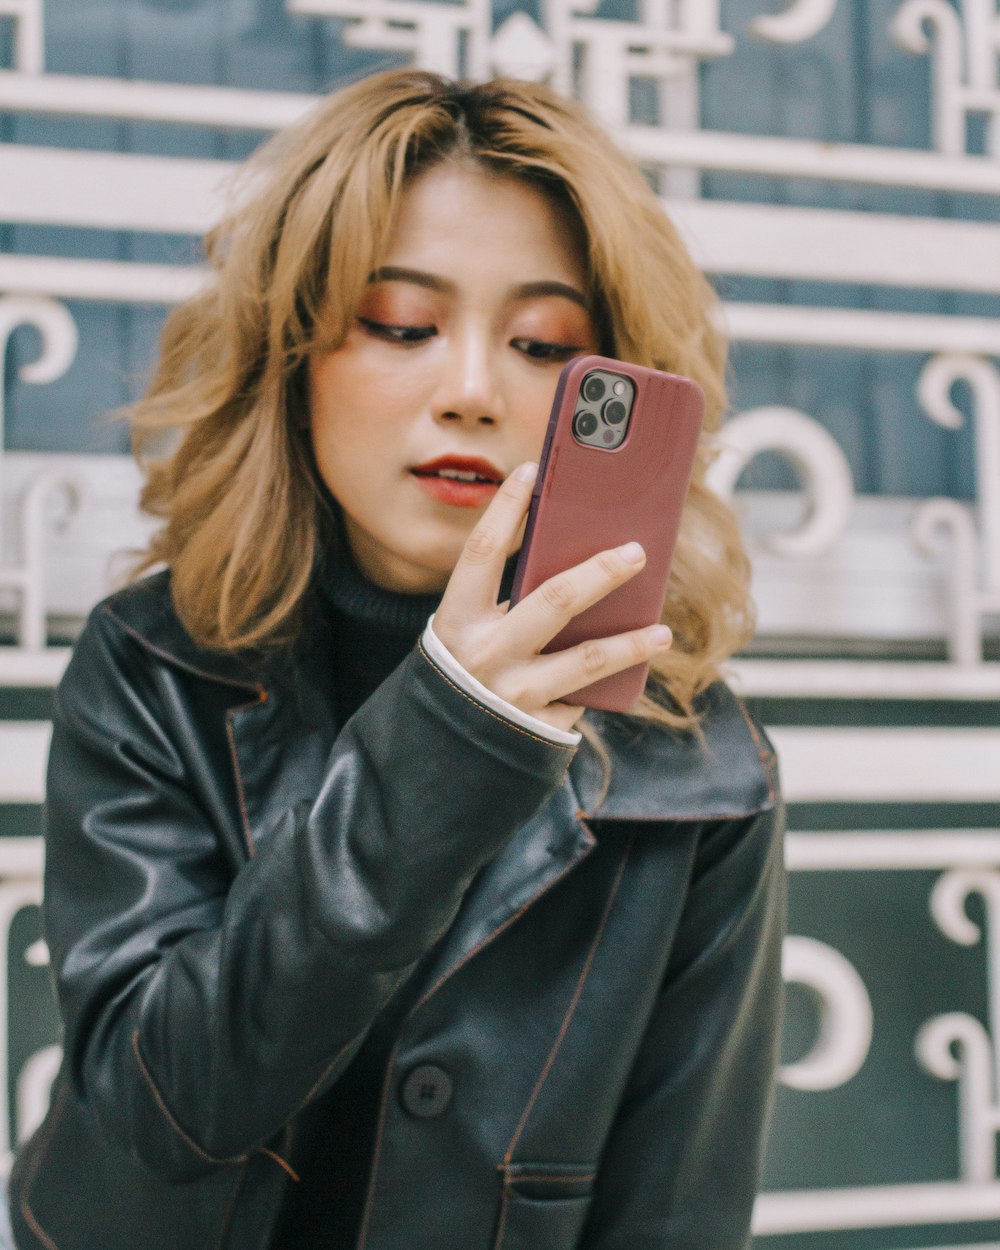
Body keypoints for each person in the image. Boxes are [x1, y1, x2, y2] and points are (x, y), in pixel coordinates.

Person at [8, 70, 784, 1250]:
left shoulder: (705, 769)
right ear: (293, 361)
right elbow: (161, 1107)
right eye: (400, 324)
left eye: (541, 344)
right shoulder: (153, 667)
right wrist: (452, 732)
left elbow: (674, 1212)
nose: (470, 391)